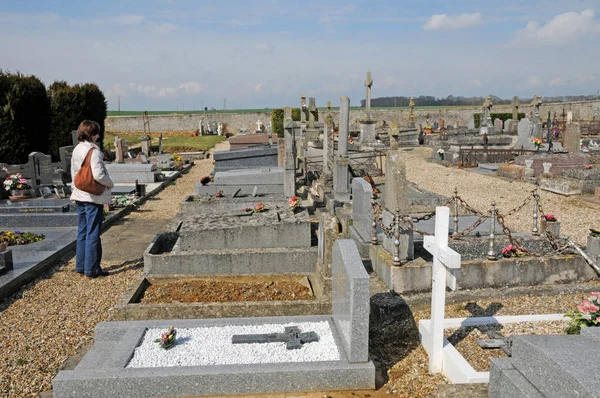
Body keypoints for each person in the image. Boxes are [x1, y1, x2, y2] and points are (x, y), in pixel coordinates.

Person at [70, 120, 114, 278]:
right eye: (96, 133)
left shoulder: (77, 149)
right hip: (92, 196)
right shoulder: (94, 151)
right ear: (92, 134)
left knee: (82, 231)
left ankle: (81, 266)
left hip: (80, 193)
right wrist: (110, 183)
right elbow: (98, 175)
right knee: (93, 232)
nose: (98, 135)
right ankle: (92, 269)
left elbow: (74, 173)